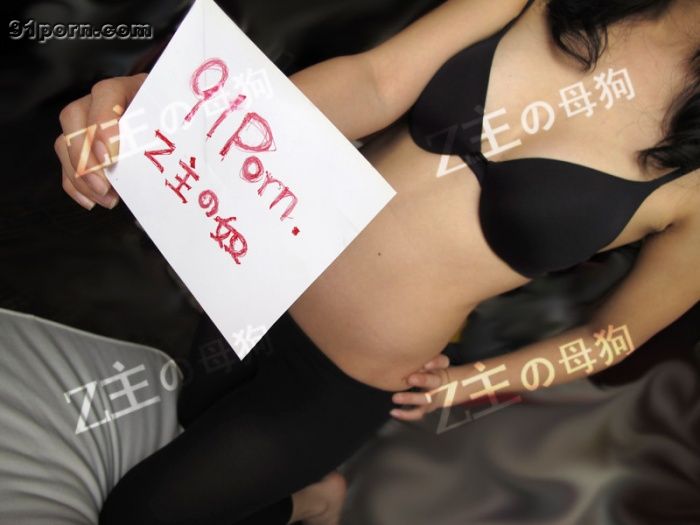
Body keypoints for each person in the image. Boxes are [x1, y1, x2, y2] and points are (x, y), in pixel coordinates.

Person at [54, 0, 700, 523]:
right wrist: (180, 117)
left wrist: (470, 383)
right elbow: (375, 81)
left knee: (144, 512)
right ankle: (309, 498)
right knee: (195, 418)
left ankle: (311, 500)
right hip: (252, 282)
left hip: (337, 384)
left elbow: (613, 335)